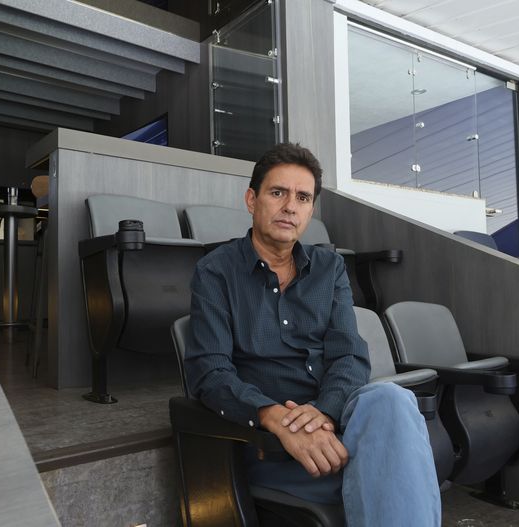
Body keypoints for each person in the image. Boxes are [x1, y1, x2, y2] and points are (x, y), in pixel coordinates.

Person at [184, 143, 441, 526]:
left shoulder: (329, 267)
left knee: (390, 397)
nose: (290, 206)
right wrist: (276, 419)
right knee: (399, 469)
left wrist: (324, 412)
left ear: (310, 210)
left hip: (336, 428)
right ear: (251, 199)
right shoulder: (215, 272)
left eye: (303, 197)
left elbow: (348, 355)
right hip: (271, 447)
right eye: (278, 192)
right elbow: (211, 372)